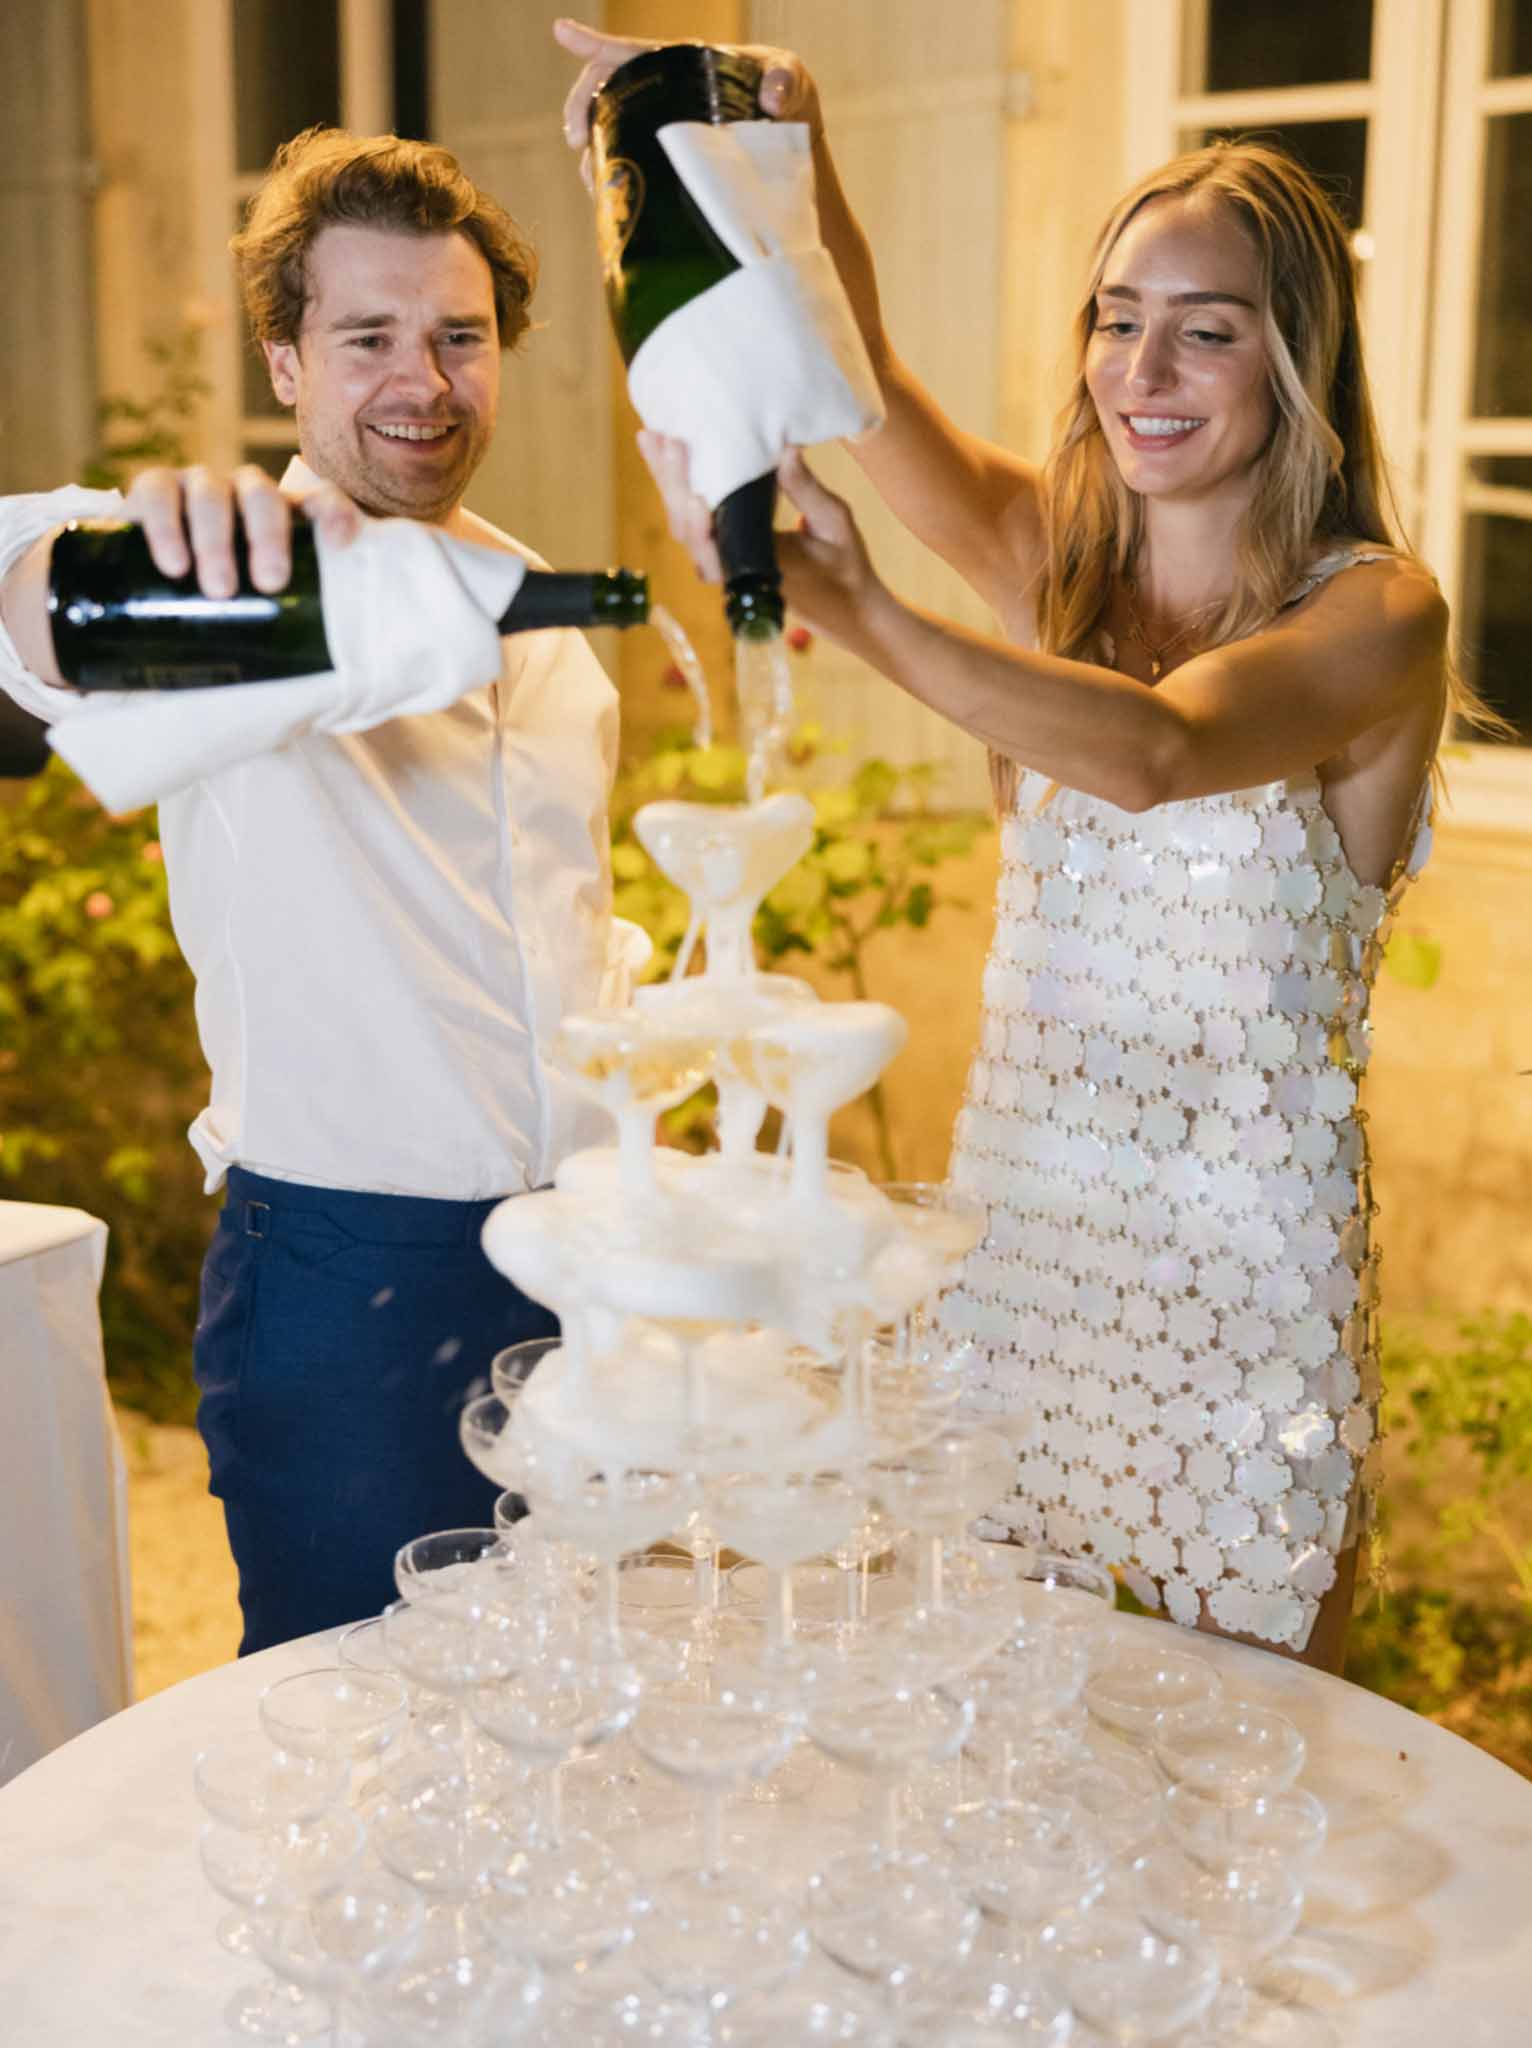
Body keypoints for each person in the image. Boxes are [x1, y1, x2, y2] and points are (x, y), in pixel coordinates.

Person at [555, 21, 1485, 1672]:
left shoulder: (1380, 613)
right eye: (1117, 323)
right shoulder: (1047, 557)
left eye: (1205, 334)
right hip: (1018, 1265)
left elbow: (1157, 749)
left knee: (1236, 1786)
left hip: (1236, 1309)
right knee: (988, 1746)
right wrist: (795, 149)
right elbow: (866, 385)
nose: (1141, 372)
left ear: (1298, 363)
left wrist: (869, 617)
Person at [0, 127, 642, 1653]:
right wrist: (54, 565)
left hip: (585, 1269)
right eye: (368, 338)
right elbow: (26, 620)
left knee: (570, 1721)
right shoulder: (223, 588)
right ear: (285, 361)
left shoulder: (544, 621)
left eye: (458, 337)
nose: (421, 379)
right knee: (348, 1752)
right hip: (348, 1284)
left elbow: (562, 941)